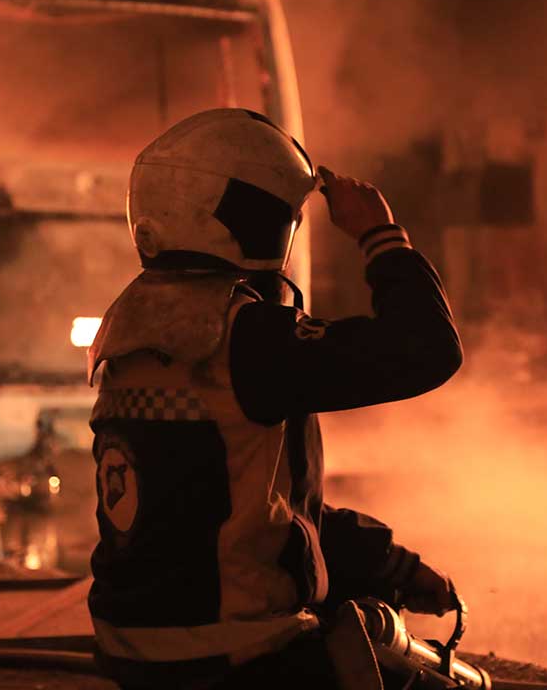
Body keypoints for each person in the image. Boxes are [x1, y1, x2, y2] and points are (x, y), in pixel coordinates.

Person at [85, 108, 464, 690]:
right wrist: (381, 236)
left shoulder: (127, 331)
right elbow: (428, 349)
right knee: (406, 664)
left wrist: (388, 563)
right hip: (237, 658)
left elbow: (228, 509)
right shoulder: (245, 335)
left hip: (132, 655)